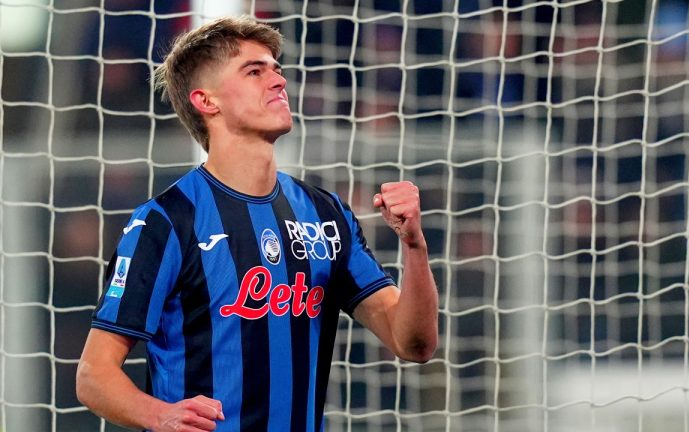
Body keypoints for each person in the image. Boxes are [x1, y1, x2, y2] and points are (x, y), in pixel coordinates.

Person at [76, 15, 438, 432]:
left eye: (276, 69)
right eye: (254, 71)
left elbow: (414, 343)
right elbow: (93, 376)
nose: (279, 81)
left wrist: (414, 245)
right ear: (206, 101)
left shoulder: (326, 215)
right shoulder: (167, 222)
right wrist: (160, 415)